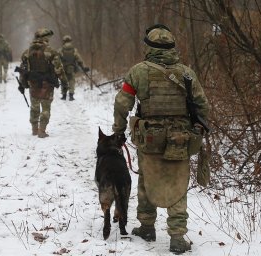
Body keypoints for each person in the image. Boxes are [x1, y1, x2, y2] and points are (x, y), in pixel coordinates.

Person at [112, 24, 209, 254]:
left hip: (149, 138)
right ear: (172, 47)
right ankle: (177, 237)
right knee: (178, 182)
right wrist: (197, 127)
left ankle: (147, 227)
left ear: (149, 48)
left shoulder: (138, 71)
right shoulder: (186, 73)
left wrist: (118, 130)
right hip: (180, 138)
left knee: (146, 178)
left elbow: (121, 103)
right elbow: (203, 105)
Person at [17, 28, 68, 138]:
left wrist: (22, 84)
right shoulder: (51, 52)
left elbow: (23, 70)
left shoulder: (27, 52)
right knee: (46, 108)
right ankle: (42, 130)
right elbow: (59, 69)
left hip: (33, 83)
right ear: (46, 38)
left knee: (34, 107)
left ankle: (34, 129)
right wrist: (65, 83)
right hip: (47, 84)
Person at [58, 35, 89, 101]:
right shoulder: (74, 50)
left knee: (64, 81)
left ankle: (64, 95)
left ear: (64, 41)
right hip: (71, 68)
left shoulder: (61, 50)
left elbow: (57, 60)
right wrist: (83, 67)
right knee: (71, 81)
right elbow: (79, 59)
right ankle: (71, 95)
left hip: (63, 68)